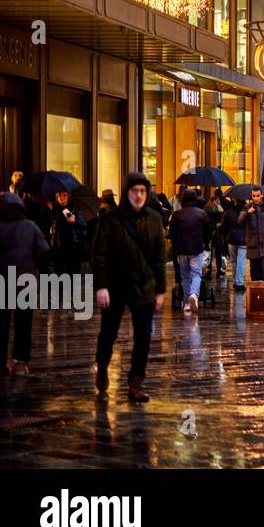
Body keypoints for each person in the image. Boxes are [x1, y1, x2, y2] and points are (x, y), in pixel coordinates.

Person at [92, 172, 167, 403]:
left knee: (143, 335)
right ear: (126, 193)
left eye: (143, 191)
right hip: (115, 284)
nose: (139, 195)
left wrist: (160, 290)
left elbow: (159, 257)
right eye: (134, 191)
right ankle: (103, 364)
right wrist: (101, 286)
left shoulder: (155, 218)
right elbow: (99, 254)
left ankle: (136, 381)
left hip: (144, 285)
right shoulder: (110, 219)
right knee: (109, 332)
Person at [0, 192, 49, 376]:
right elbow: (44, 250)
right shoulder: (31, 226)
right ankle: (20, 363)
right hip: (26, 281)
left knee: (0, 322)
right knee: (24, 323)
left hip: (0, 281)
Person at [169, 189, 210, 314]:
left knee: (185, 276)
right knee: (196, 274)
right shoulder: (201, 214)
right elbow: (208, 232)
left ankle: (187, 302)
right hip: (196, 248)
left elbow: (172, 233)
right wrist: (206, 242)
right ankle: (194, 294)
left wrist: (175, 245)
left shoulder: (177, 214)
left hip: (181, 249)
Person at [48, 190, 86, 276]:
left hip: (72, 244)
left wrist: (74, 221)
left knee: (71, 269)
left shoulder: (73, 208)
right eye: (59, 196)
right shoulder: (53, 208)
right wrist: (49, 211)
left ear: (68, 196)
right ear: (56, 197)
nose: (62, 198)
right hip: (58, 244)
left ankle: (70, 288)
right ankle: (60, 288)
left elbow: (83, 225)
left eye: (64, 195)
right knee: (58, 269)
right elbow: (47, 224)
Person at [242, 187, 264, 282]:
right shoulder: (248, 207)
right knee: (254, 275)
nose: (255, 198)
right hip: (253, 247)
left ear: (262, 195)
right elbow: (240, 221)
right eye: (253, 196)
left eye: (257, 196)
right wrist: (247, 213)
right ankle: (256, 296)